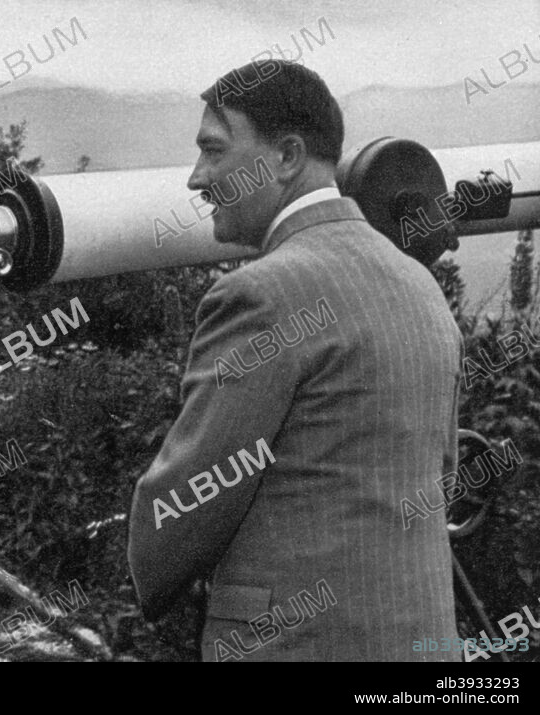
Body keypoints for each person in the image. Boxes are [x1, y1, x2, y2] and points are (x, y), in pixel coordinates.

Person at [127, 61, 462, 662]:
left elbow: (191, 496)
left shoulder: (260, 294)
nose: (196, 179)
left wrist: (146, 575)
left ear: (285, 157)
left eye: (213, 150)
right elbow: (441, 470)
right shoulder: (419, 284)